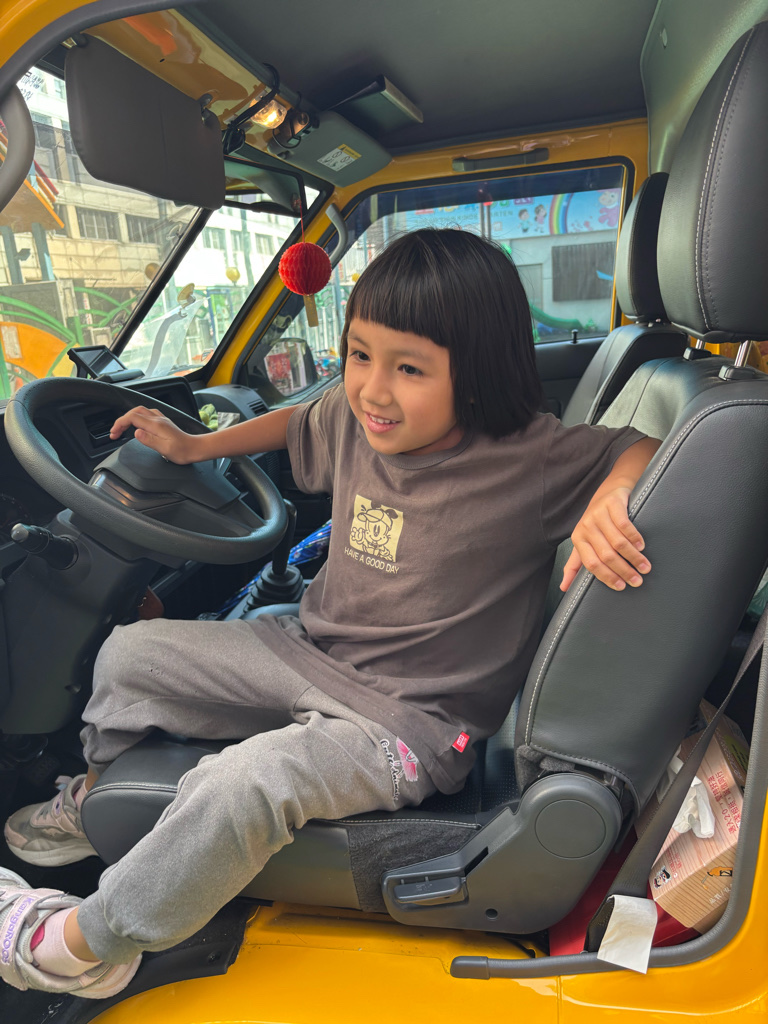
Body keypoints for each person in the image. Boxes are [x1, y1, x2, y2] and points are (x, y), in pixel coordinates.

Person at [0, 229, 659, 998]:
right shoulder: (354, 417)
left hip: (411, 719)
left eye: (409, 368)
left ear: (475, 372)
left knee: (248, 780)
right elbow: (295, 422)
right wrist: (195, 448)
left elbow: (640, 446)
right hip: (309, 649)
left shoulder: (529, 456)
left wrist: (615, 493)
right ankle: (93, 799)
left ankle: (86, 947)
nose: (373, 389)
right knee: (129, 655)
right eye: (359, 354)